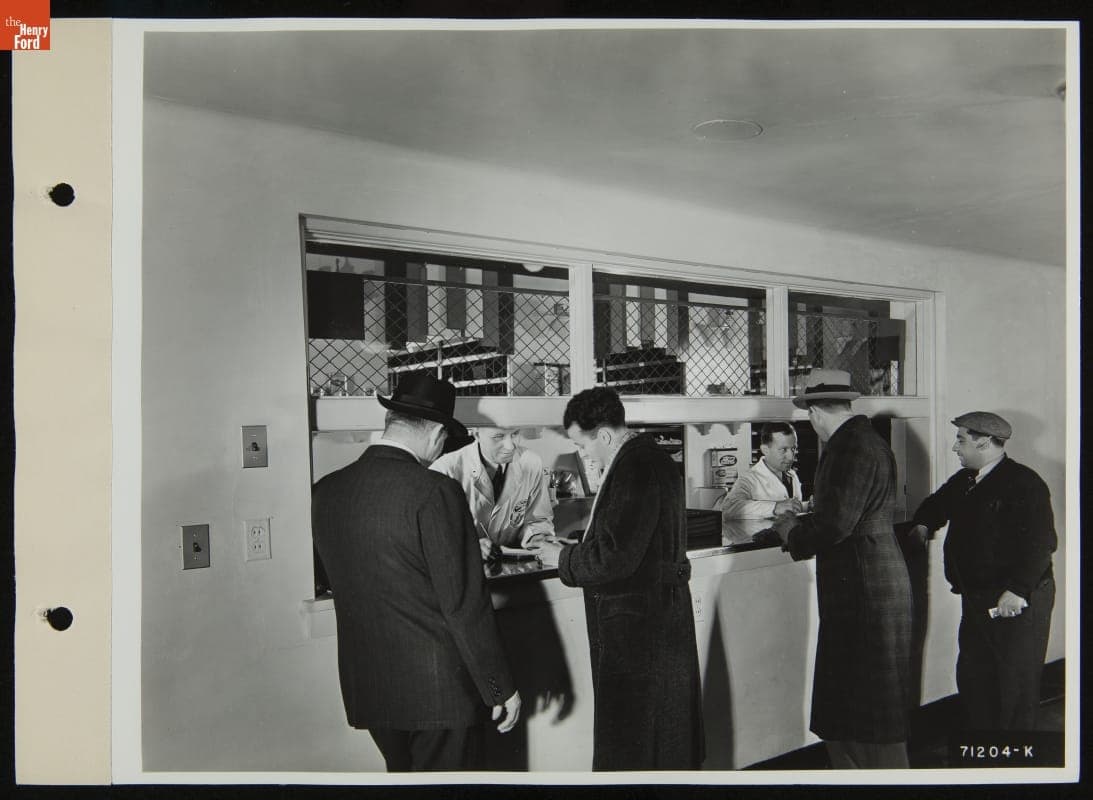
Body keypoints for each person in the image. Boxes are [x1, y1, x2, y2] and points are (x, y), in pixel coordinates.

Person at [311, 373, 521, 771]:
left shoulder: (326, 491)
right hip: (439, 693)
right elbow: (463, 604)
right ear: (437, 433)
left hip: (372, 690)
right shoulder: (435, 491)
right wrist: (499, 687)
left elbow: (335, 577)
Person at [535, 387, 704, 771]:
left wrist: (561, 557)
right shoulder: (649, 458)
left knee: (635, 744)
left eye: (584, 445)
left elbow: (616, 557)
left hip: (638, 629)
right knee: (660, 739)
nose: (585, 455)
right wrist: (582, 543)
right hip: (655, 621)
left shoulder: (633, 465)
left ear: (605, 435)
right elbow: (630, 538)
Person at [769, 368, 913, 769]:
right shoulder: (868, 441)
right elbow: (851, 510)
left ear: (815, 412)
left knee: (864, 700)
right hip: (873, 577)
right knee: (868, 697)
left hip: (862, 586)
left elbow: (835, 526)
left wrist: (790, 529)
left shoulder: (848, 447)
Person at [909, 411, 1056, 731]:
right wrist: (922, 524)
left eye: (961, 440)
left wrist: (1017, 590)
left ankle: (1016, 765)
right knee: (975, 677)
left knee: (1014, 684)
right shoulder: (966, 480)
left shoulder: (1025, 483)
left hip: (1016, 600)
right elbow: (936, 504)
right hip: (977, 598)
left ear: (985, 441)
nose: (955, 448)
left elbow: (1041, 544)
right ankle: (984, 755)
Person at [430, 425, 555, 558]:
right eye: (498, 436)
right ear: (477, 434)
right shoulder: (445, 470)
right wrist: (469, 546)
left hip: (512, 567)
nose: (510, 446)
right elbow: (433, 536)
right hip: (464, 566)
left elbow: (538, 518)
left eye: (515, 434)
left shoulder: (530, 462)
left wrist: (536, 536)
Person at [720, 421, 806, 519]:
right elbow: (729, 508)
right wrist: (775, 507)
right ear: (765, 450)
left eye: (793, 449)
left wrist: (807, 505)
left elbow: (790, 509)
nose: (791, 457)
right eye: (783, 450)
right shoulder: (749, 478)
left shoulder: (792, 475)